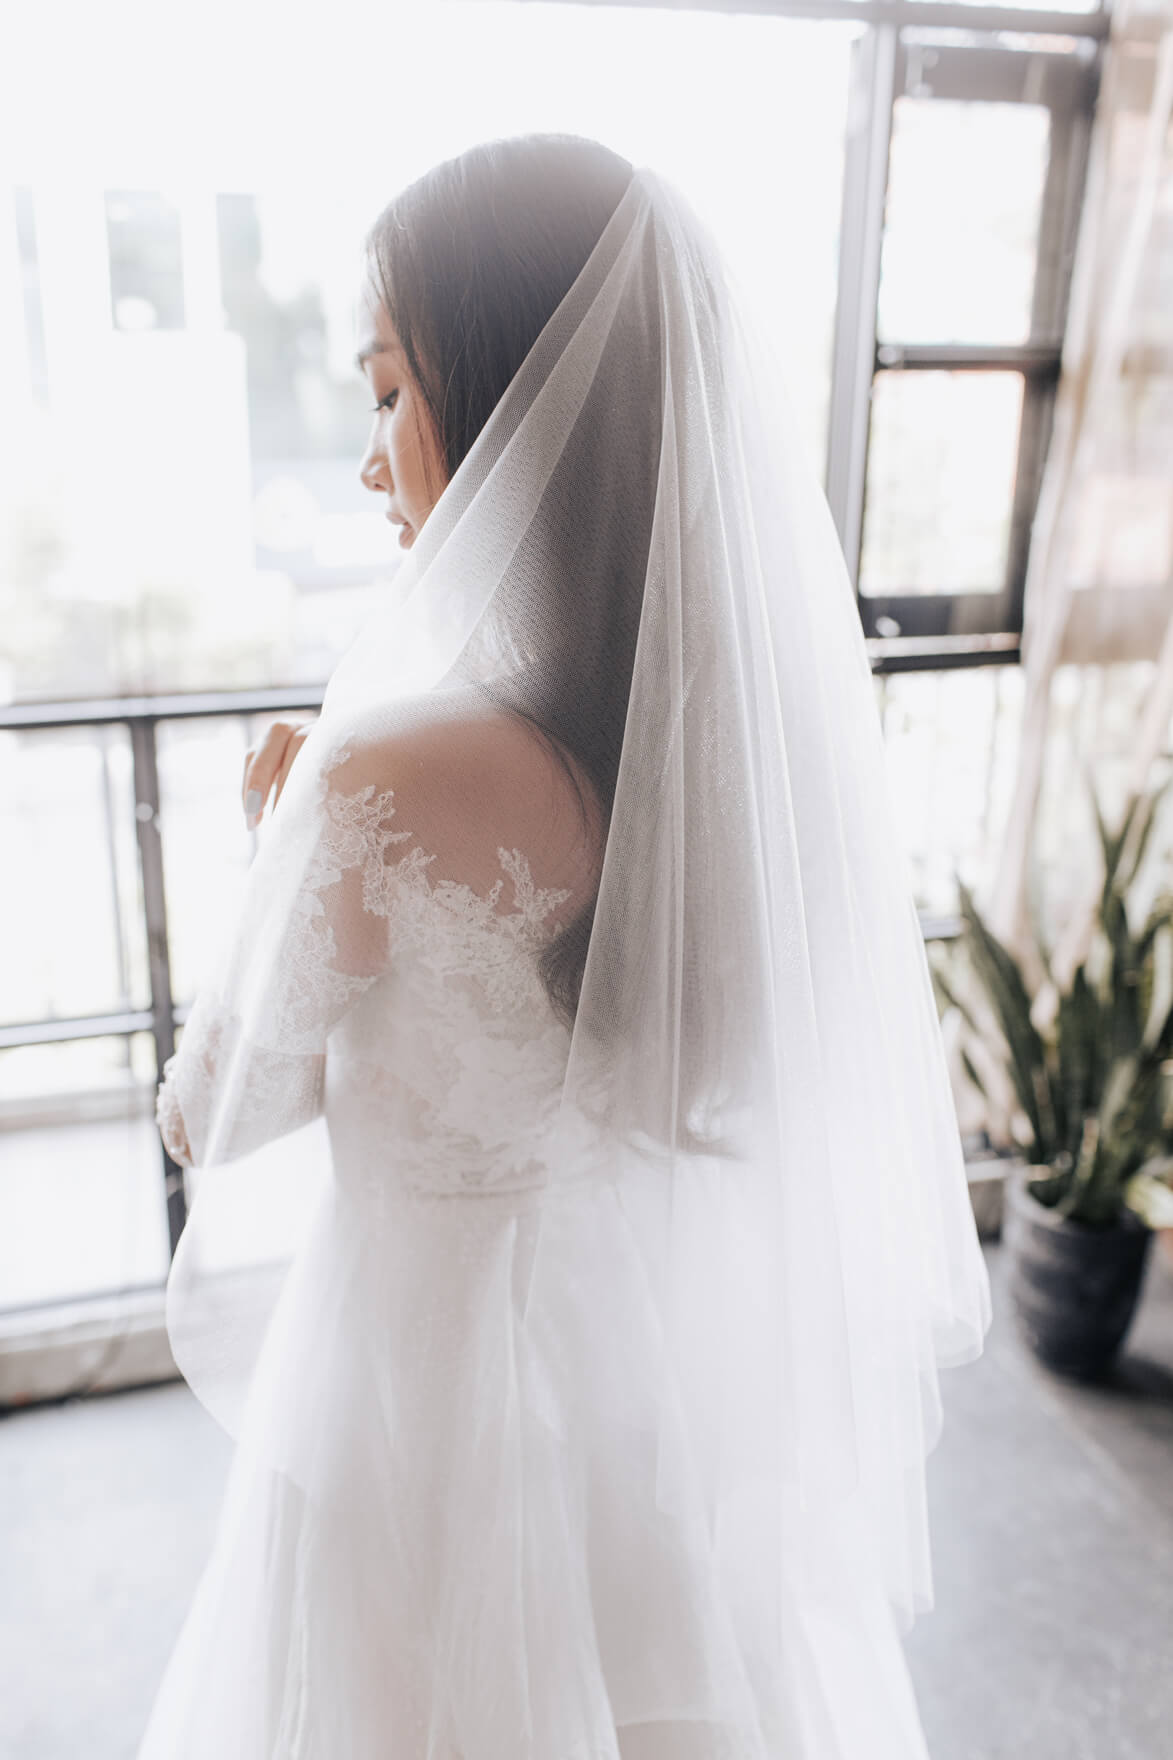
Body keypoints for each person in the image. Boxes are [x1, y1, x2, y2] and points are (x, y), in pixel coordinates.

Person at [140, 134, 992, 1759]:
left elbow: (215, 1113)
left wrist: (279, 839)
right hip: (640, 1373)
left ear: (506, 402)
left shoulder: (382, 774)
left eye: (388, 391)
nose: (372, 461)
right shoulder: (727, 750)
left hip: (418, 1399)